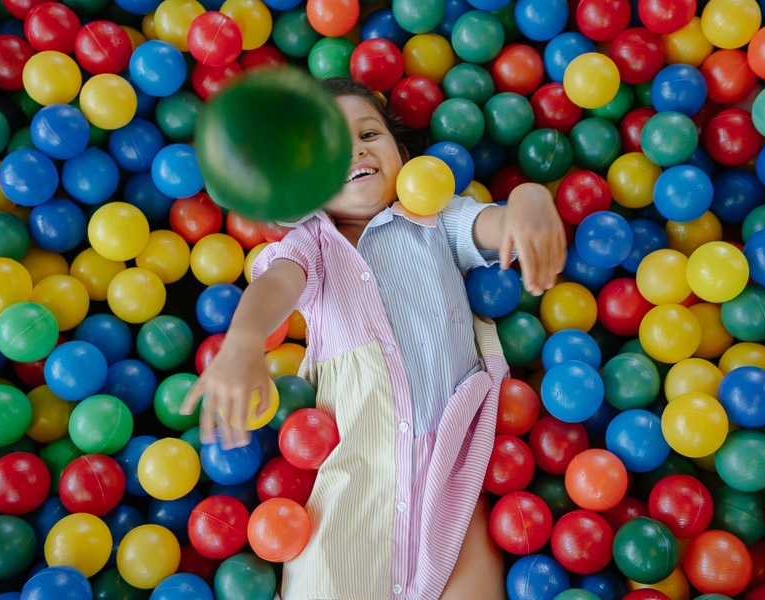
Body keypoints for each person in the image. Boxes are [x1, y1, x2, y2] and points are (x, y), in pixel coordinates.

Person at [180, 77, 567, 600]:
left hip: (452, 469)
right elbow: (275, 285)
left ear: (402, 156)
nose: (355, 150)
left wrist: (529, 196)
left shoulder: (436, 220)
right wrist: (245, 341)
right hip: (354, 477)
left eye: (368, 134)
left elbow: (501, 228)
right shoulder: (313, 243)